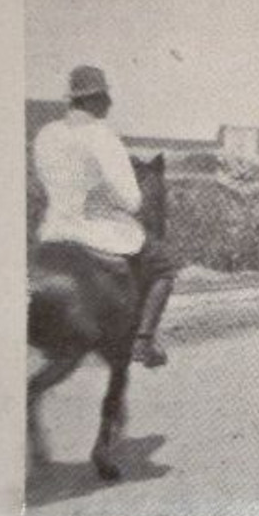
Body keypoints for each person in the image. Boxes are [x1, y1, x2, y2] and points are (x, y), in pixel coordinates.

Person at [32, 65, 177, 366]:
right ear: (91, 100)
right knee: (163, 266)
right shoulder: (102, 136)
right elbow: (132, 200)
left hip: (54, 231)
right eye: (104, 97)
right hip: (95, 230)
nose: (109, 103)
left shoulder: (47, 134)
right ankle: (144, 342)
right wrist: (110, 199)